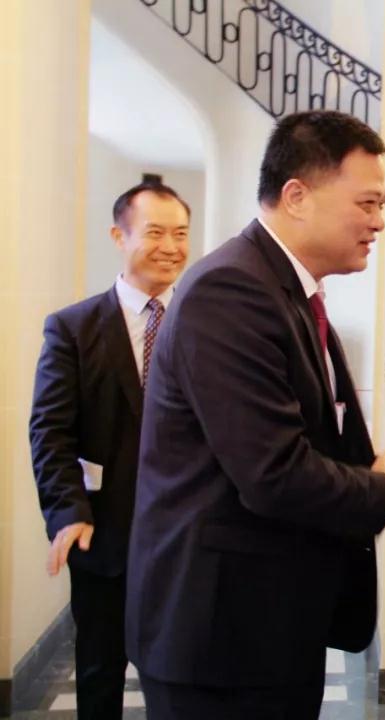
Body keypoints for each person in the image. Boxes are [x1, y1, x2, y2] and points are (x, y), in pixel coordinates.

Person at [124, 111, 385, 720]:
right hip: (220, 639)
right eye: (367, 202)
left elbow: (313, 433)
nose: (379, 221)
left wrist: (376, 465)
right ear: (297, 196)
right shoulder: (231, 291)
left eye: (382, 204)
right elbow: (272, 472)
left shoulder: (288, 290)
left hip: (268, 624)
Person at [29, 181, 191, 720]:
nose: (171, 246)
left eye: (181, 234)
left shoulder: (204, 324)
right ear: (118, 236)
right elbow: (50, 431)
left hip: (187, 541)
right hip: (105, 535)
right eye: (155, 232)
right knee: (100, 674)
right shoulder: (73, 328)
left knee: (185, 675)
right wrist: (67, 511)